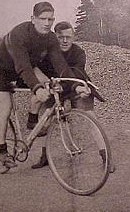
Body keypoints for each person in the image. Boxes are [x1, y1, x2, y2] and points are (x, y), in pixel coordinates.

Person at [0, 3, 90, 169]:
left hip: (26, 66)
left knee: (49, 83)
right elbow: (23, 67)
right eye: (43, 19)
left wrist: (75, 86)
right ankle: (1, 150)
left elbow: (61, 65)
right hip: (1, 68)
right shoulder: (19, 34)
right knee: (5, 109)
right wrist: (37, 89)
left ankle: (32, 120)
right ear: (33, 19)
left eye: (50, 19)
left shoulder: (50, 38)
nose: (47, 23)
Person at [31, 21, 115, 173]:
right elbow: (39, 71)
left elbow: (76, 73)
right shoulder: (47, 53)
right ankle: (45, 157)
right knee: (47, 118)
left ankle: (106, 157)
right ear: (55, 37)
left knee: (90, 119)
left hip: (77, 87)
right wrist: (47, 85)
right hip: (55, 89)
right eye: (60, 37)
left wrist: (76, 87)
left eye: (68, 37)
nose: (64, 41)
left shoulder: (78, 52)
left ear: (73, 37)